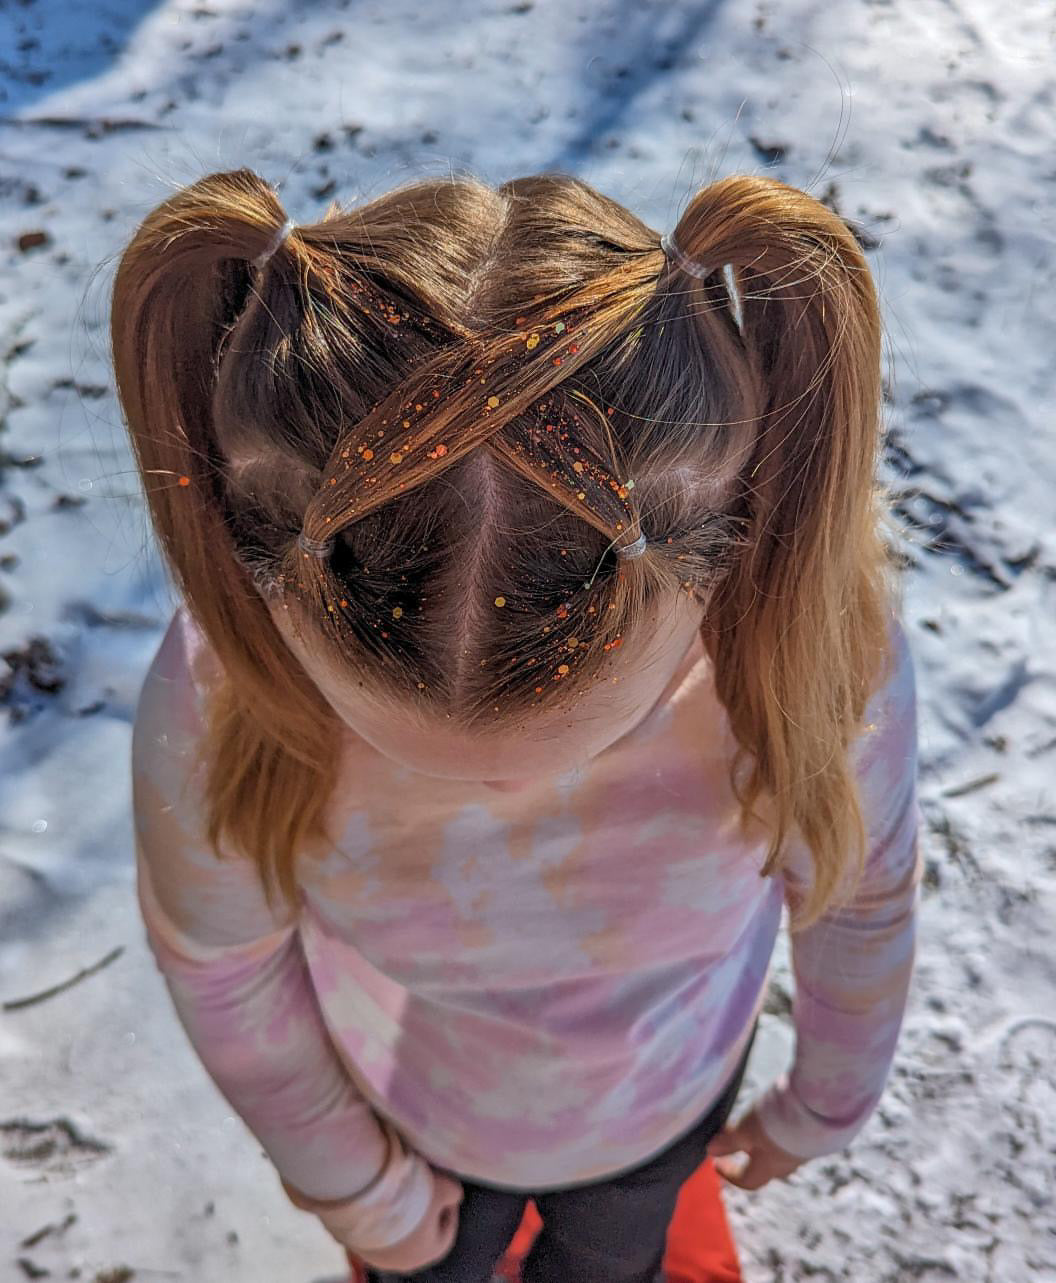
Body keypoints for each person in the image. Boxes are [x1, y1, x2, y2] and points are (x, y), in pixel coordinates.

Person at [113, 166, 923, 1283]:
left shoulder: (807, 663)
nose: (498, 799)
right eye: (393, 747)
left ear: (715, 559)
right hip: (408, 1129)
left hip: (663, 1118)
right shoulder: (226, 682)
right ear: (271, 586)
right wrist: (357, 1183)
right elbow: (222, 962)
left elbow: (861, 890)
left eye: (590, 740)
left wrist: (828, 1100)